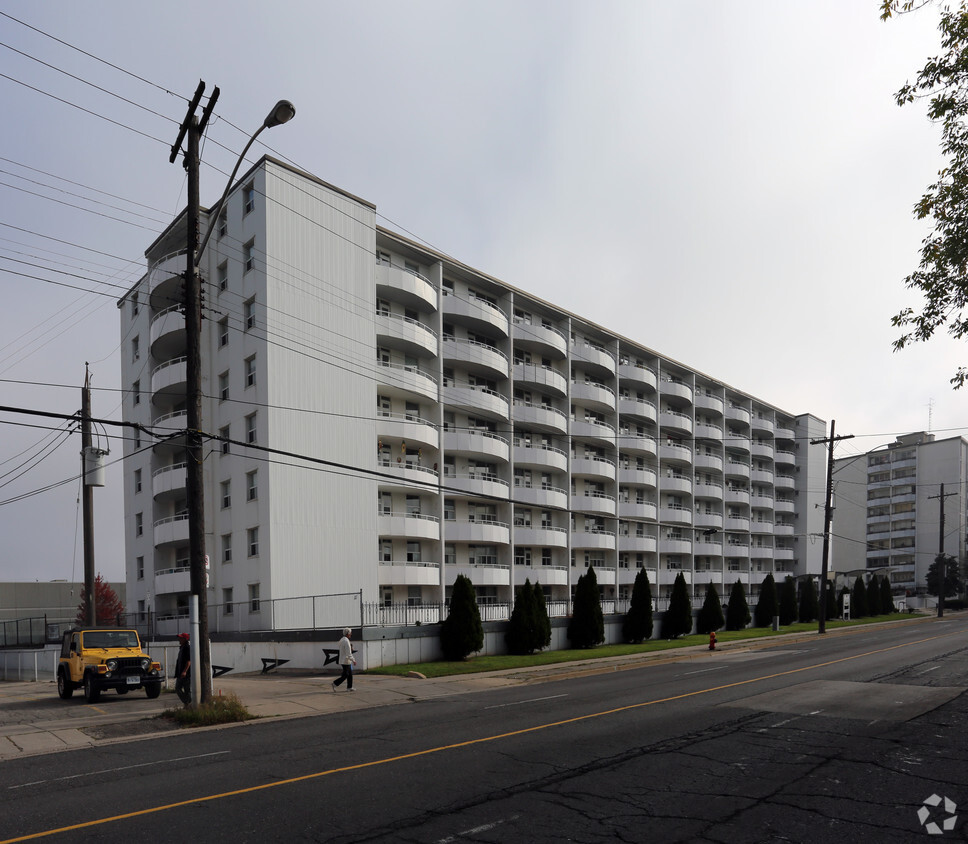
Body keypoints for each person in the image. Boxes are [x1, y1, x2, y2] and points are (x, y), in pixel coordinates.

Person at [332, 627, 356, 692]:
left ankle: (349, 687)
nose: (351, 634)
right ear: (348, 633)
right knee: (346, 674)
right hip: (345, 660)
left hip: (343, 660)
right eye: (350, 633)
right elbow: (348, 653)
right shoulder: (346, 641)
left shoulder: (342, 639)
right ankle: (335, 683)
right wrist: (353, 660)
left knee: (350, 674)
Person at [174, 632, 191, 705]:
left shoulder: (187, 648)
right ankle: (187, 702)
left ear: (185, 639)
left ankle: (188, 703)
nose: (179, 639)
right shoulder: (182, 648)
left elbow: (188, 661)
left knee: (187, 690)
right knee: (178, 688)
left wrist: (185, 671)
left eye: (181, 638)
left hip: (186, 674)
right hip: (180, 673)